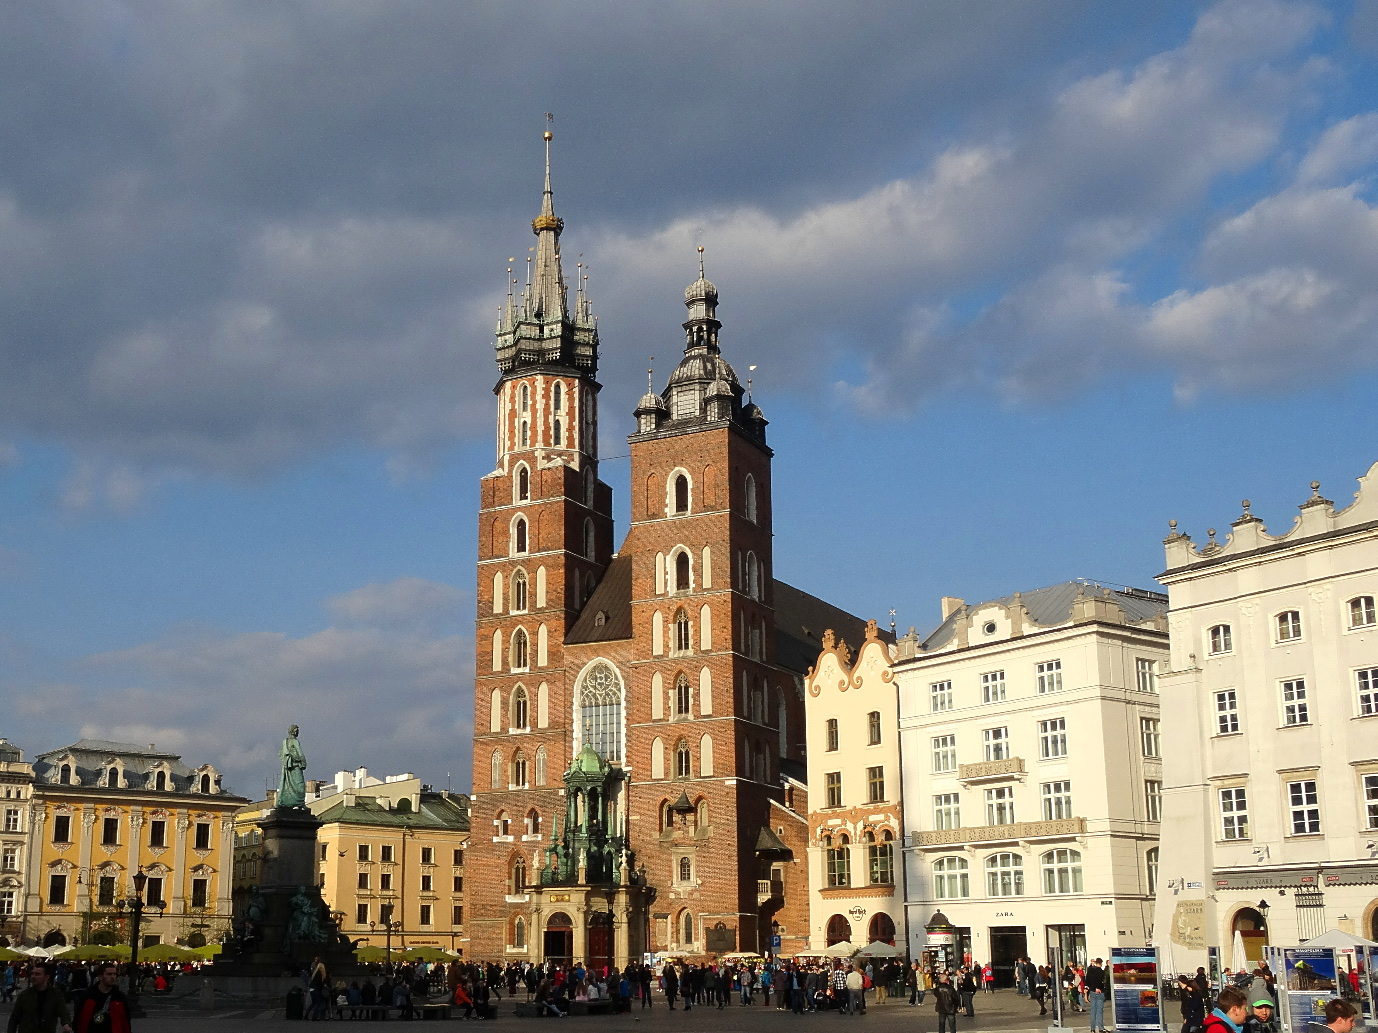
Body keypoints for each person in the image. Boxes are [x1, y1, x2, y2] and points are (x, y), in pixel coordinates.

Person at [6, 961, 72, 1033]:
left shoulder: (55, 995)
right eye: (32, 973)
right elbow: (14, 1018)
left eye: (37, 974)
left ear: (47, 977)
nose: (33, 976)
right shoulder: (25, 995)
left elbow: (63, 1012)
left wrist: (66, 1024)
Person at [72, 963, 130, 1033]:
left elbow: (125, 1022)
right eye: (109, 974)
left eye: (114, 974)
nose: (112, 977)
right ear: (100, 977)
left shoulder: (119, 997)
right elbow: (78, 1019)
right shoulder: (88, 995)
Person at [1085, 957, 1108, 1033]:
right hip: (1099, 992)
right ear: (1101, 963)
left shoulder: (1090, 970)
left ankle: (1092, 1029)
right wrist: (1098, 988)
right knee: (1099, 1011)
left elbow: (1087, 981)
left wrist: (1091, 989)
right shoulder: (1101, 972)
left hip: (1092, 991)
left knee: (1093, 1011)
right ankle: (1101, 1028)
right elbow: (1101, 982)